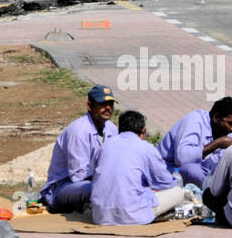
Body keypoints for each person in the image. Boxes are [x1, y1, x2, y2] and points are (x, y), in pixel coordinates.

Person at [90, 110, 185, 225]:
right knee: (178, 192)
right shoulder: (146, 147)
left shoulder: (106, 145)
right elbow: (165, 183)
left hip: (100, 215)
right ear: (143, 131)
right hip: (131, 215)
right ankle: (153, 214)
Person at [40, 85, 117, 213]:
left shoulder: (112, 128)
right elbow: (78, 176)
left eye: (110, 104)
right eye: (102, 103)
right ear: (89, 106)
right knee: (96, 189)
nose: (108, 107)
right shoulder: (78, 132)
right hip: (64, 187)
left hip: (96, 182)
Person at [158, 96, 232, 188]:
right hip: (167, 169)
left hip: (199, 169)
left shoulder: (225, 131)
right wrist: (216, 144)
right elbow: (181, 159)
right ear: (216, 117)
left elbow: (217, 163)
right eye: (230, 123)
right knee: (194, 171)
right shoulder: (194, 121)